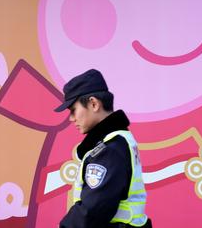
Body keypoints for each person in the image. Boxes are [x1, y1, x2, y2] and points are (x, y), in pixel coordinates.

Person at [56, 69, 152, 228]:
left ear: (94, 104)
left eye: (73, 110)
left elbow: (92, 212)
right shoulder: (117, 141)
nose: (72, 118)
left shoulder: (110, 149)